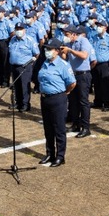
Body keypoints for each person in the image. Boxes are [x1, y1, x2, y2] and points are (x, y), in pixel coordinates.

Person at [37, 38, 76, 168]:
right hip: (45, 98)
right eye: (46, 49)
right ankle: (50, 153)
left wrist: (65, 93)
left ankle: (60, 156)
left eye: (50, 49)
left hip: (58, 98)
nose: (47, 51)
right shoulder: (45, 62)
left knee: (59, 128)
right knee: (48, 128)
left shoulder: (63, 65)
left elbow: (72, 83)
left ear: (57, 51)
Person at [62, 25, 93, 137]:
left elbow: (84, 55)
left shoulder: (83, 41)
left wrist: (70, 50)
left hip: (83, 75)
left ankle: (86, 127)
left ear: (73, 34)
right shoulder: (68, 43)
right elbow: (65, 58)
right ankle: (76, 124)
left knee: (83, 102)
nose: (65, 36)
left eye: (67, 34)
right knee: (73, 101)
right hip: (73, 75)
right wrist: (63, 52)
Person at [8, 22, 40, 112]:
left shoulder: (30, 40)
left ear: (24, 30)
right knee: (16, 85)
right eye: (17, 29)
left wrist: (31, 63)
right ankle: (18, 103)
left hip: (25, 66)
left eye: (20, 29)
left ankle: (25, 104)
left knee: (24, 86)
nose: (19, 31)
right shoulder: (13, 39)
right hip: (14, 65)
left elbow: (37, 53)